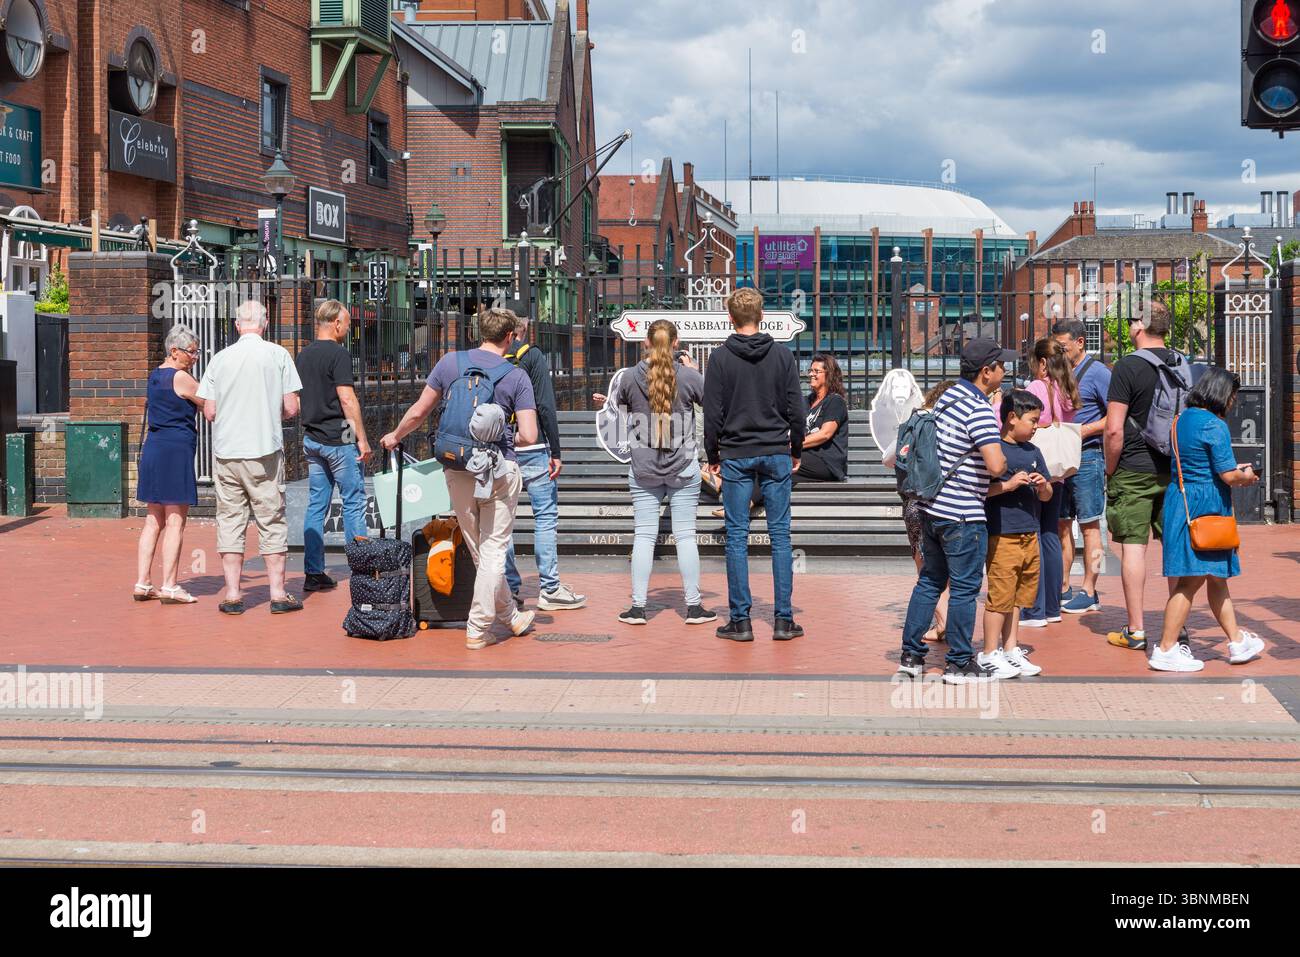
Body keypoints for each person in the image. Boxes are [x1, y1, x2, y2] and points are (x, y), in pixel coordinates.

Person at [381, 308, 540, 650]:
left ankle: (510, 616)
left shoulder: (449, 363)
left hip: (457, 467)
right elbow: (528, 435)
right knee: (494, 551)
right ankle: (477, 628)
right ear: (510, 337)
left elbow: (420, 411)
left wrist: (395, 434)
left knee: (480, 551)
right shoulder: (516, 376)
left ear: (476, 332)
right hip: (498, 469)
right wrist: (504, 433)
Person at [896, 338, 1013, 684]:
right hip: (964, 512)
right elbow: (995, 465)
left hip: (932, 506)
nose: (1005, 371)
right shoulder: (978, 409)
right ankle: (960, 662)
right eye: (1001, 365)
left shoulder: (946, 399)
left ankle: (911, 654)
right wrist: (1004, 459)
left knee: (930, 580)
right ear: (986, 372)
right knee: (964, 588)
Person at [704, 287, 806, 642]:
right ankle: (783, 620)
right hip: (776, 450)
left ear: (730, 318)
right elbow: (797, 408)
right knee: (780, 537)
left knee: (736, 537)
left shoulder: (719, 359)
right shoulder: (781, 356)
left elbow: (712, 413)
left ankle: (740, 620)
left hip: (736, 453)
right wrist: (796, 448)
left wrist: (713, 455)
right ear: (761, 316)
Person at [1152, 368, 1265, 672]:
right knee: (1191, 581)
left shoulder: (1182, 419)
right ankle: (1165, 648)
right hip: (1207, 507)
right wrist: (1248, 476)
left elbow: (1201, 463)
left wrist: (1232, 470)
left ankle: (1237, 640)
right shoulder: (1214, 425)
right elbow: (1228, 475)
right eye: (1232, 395)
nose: (1233, 402)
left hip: (1183, 501)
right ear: (1221, 394)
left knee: (1216, 577)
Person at [196, 300, 303, 615]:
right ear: (265, 322)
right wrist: (269, 412)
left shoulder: (220, 359)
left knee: (230, 521)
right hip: (264, 451)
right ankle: (278, 594)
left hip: (228, 452)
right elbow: (292, 407)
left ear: (237, 324)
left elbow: (210, 410)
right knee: (271, 520)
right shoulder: (278, 355)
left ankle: (232, 594)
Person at [610, 319, 715, 626]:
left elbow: (622, 409)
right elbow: (712, 407)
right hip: (683, 467)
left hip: (644, 468)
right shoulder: (689, 376)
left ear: (645, 342)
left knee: (644, 536)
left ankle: (638, 608)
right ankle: (694, 607)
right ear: (675, 342)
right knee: (686, 536)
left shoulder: (630, 377)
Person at [1103, 300, 1185, 651]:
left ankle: (1136, 630)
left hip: (1134, 468)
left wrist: (1110, 468)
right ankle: (1176, 627)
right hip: (1173, 467)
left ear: (1139, 325)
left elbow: (1114, 430)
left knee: (1134, 547)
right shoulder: (1182, 363)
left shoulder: (1126, 366)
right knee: (1174, 548)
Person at [502, 311, 586, 612]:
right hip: (534, 447)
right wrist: (556, 451)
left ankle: (508, 588)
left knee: (502, 522)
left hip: (502, 449)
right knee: (545, 518)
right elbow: (546, 405)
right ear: (524, 329)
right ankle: (550, 588)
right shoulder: (533, 357)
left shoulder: (490, 358)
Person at [296, 299, 371, 593]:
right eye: (348, 324)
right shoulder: (339, 354)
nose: (349, 329)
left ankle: (314, 571)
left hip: (312, 435)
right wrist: (361, 439)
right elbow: (347, 399)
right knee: (354, 501)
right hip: (339, 433)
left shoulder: (302, 355)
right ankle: (362, 566)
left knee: (317, 505)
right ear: (336, 323)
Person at [980, 390, 1053, 678]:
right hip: (1002, 534)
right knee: (999, 596)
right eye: (1032, 420)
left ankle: (1010, 649)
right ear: (1012, 418)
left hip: (1029, 533)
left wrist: (1042, 484)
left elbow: (1047, 496)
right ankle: (988, 652)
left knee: (1018, 597)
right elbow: (981, 490)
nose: (1036, 426)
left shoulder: (1034, 452)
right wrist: (1008, 485)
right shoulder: (994, 449)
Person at [134, 324, 204, 605]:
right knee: (176, 519)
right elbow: (210, 401)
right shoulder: (181, 378)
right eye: (191, 352)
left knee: (154, 519)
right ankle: (170, 585)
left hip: (153, 449)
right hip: (175, 451)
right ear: (174, 351)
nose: (195, 357)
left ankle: (142, 582)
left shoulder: (154, 376)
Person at [884, 379, 955, 644]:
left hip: (916, 503)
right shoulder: (954, 426)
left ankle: (943, 622)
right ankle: (944, 623)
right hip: (950, 503)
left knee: (926, 568)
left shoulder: (919, 422)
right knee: (947, 569)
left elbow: (889, 458)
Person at [1052, 318, 1112, 615]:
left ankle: (1090, 589)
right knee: (1062, 523)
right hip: (1060, 458)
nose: (1059, 353)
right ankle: (1063, 587)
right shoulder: (1055, 372)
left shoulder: (1099, 373)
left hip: (1088, 456)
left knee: (1090, 524)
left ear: (1079, 343)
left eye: (1062, 347)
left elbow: (1114, 416)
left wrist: (1083, 431)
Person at [1020, 337, 1079, 628]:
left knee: (1034, 534)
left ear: (1042, 362)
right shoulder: (1067, 390)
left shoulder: (1036, 388)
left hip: (1037, 469)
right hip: (1060, 472)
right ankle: (1053, 605)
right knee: (1051, 533)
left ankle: (1034, 608)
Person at [795, 353, 849, 484]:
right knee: (772, 472)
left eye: (816, 371)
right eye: (810, 370)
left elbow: (825, 434)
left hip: (826, 462)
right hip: (806, 458)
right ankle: (749, 503)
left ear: (829, 375)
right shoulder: (807, 401)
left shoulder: (835, 401)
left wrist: (792, 446)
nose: (811, 374)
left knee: (778, 463)